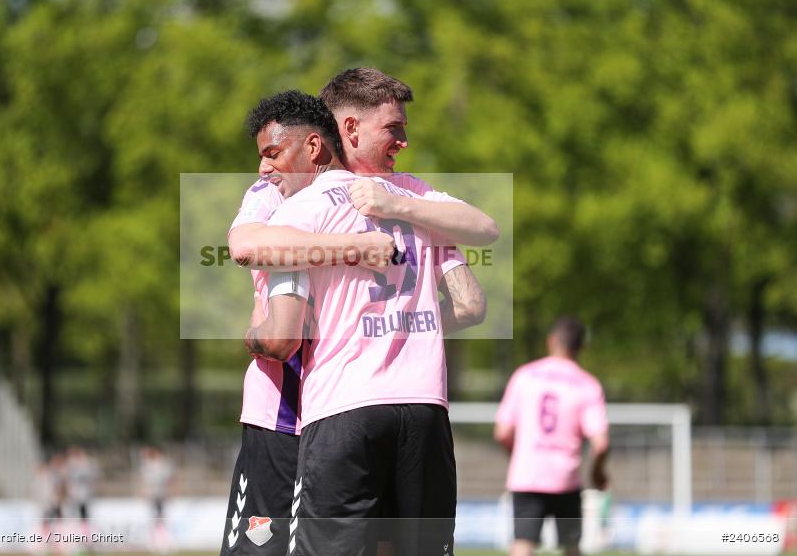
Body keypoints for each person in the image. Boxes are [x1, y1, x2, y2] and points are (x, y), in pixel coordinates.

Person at [221, 77, 495, 556]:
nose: (265, 167)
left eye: (271, 153)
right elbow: (471, 300)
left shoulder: (314, 196)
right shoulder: (414, 199)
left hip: (326, 408)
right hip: (404, 404)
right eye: (394, 128)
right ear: (348, 127)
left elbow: (258, 274)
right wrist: (364, 247)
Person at [494, 316, 610, 556]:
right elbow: (601, 445)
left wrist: (517, 457)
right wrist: (597, 472)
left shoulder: (523, 376)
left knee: (522, 544)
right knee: (571, 547)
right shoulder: (587, 385)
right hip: (566, 479)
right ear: (581, 347)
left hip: (527, 475)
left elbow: (502, 432)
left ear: (551, 341)